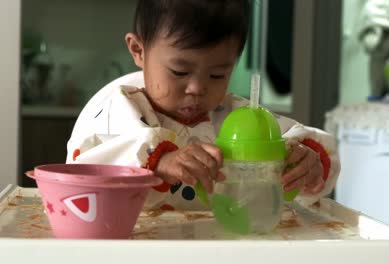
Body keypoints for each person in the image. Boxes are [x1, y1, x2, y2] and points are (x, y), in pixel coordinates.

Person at [66, 0, 340, 210]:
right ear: (138, 50)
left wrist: (307, 162)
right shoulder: (120, 109)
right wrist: (160, 160)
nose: (197, 88)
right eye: (179, 72)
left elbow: (295, 140)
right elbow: (84, 169)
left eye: (217, 75)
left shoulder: (235, 115)